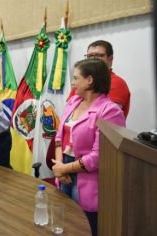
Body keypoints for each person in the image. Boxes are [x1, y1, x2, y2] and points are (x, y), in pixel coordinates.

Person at [52, 58, 126, 236]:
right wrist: (60, 168)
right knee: (65, 223)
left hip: (86, 176)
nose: (73, 82)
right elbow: (59, 137)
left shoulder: (110, 111)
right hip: (65, 169)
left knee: (84, 227)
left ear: (89, 80)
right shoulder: (73, 102)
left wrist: (64, 168)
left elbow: (99, 156)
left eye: (76, 78)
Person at [67, 40, 131, 118]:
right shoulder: (81, 80)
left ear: (110, 59)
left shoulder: (117, 83)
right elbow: (69, 111)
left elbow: (104, 117)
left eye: (98, 56)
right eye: (89, 56)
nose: (92, 59)